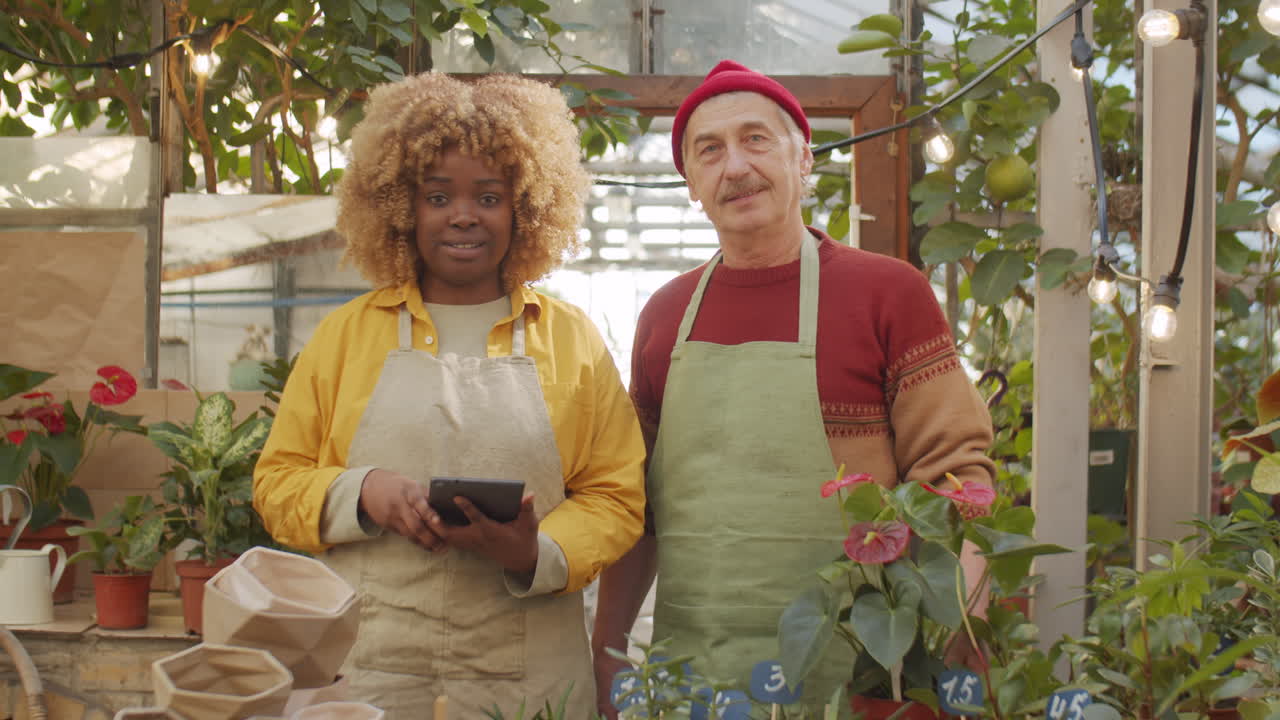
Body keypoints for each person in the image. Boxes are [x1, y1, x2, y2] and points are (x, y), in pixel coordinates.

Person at [591, 60, 997, 714]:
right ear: (690, 183)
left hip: (859, 674)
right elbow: (639, 511)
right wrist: (607, 650)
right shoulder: (664, 316)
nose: (735, 166)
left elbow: (958, 477)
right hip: (694, 678)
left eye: (756, 139)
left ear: (803, 157)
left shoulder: (889, 294)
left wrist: (962, 635)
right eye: (709, 150)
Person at [253, 72, 646, 719]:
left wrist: (537, 551)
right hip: (370, 673)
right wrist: (362, 492)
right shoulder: (346, 336)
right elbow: (277, 482)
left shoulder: (571, 339)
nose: (463, 214)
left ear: (526, 208)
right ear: (401, 208)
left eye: (489, 196)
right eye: (438, 196)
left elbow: (616, 495)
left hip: (529, 676)